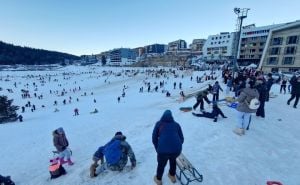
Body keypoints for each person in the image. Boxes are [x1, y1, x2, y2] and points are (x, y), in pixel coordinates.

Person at [152, 110, 184, 185]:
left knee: (161, 164)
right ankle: (172, 175)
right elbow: (181, 138)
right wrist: (176, 146)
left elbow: (154, 138)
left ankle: (158, 179)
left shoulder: (158, 124)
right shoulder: (176, 124)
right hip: (176, 151)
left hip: (163, 151)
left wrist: (158, 148)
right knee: (173, 160)